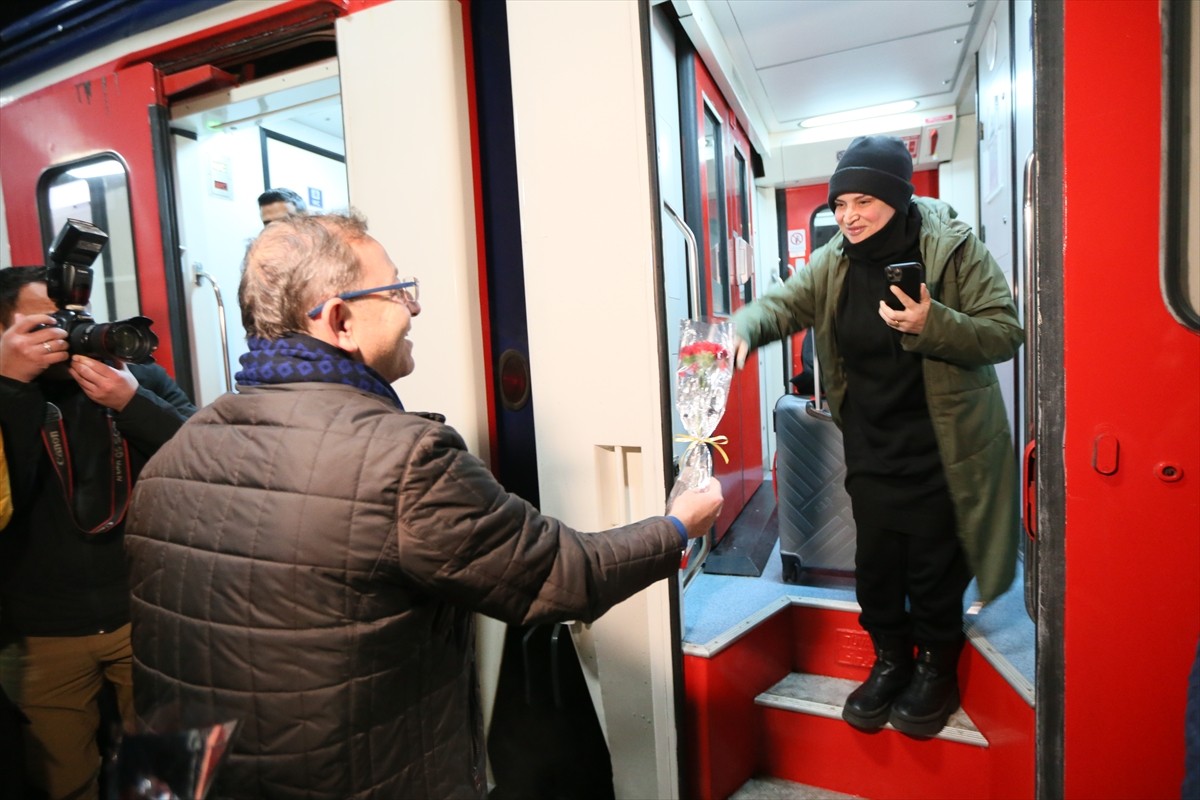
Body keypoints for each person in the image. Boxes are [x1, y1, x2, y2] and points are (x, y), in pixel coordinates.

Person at [123, 211, 723, 799]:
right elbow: (564, 575)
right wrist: (678, 527)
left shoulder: (176, 453)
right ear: (340, 321)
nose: (413, 307)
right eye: (396, 290)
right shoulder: (402, 460)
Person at [732, 135, 1023, 739]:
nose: (849, 217)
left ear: (896, 197)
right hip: (870, 442)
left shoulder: (954, 248)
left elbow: (1004, 331)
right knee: (877, 566)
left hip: (944, 443)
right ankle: (891, 660)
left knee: (934, 567)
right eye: (840, 204)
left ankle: (936, 667)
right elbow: (783, 305)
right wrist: (743, 329)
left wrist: (933, 322)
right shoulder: (834, 260)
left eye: (863, 201)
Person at [0, 266, 197, 800]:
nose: (66, 335)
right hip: (40, 631)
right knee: (63, 783)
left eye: (73, 319)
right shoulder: (7, 394)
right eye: (45, 325)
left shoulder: (136, 379)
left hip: (145, 613)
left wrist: (132, 404)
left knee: (165, 778)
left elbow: (204, 461)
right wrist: (11, 387)